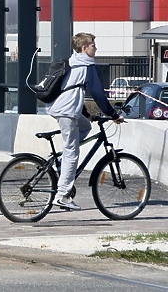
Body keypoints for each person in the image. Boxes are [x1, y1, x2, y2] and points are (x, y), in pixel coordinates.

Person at [46, 32, 122, 211]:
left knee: (86, 126)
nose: (96, 48)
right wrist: (113, 115)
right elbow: (98, 94)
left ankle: (62, 163)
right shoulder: (87, 65)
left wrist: (87, 114)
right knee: (72, 153)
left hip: (60, 107)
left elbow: (73, 91)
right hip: (66, 111)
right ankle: (62, 195)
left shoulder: (72, 62)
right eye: (93, 46)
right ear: (84, 48)